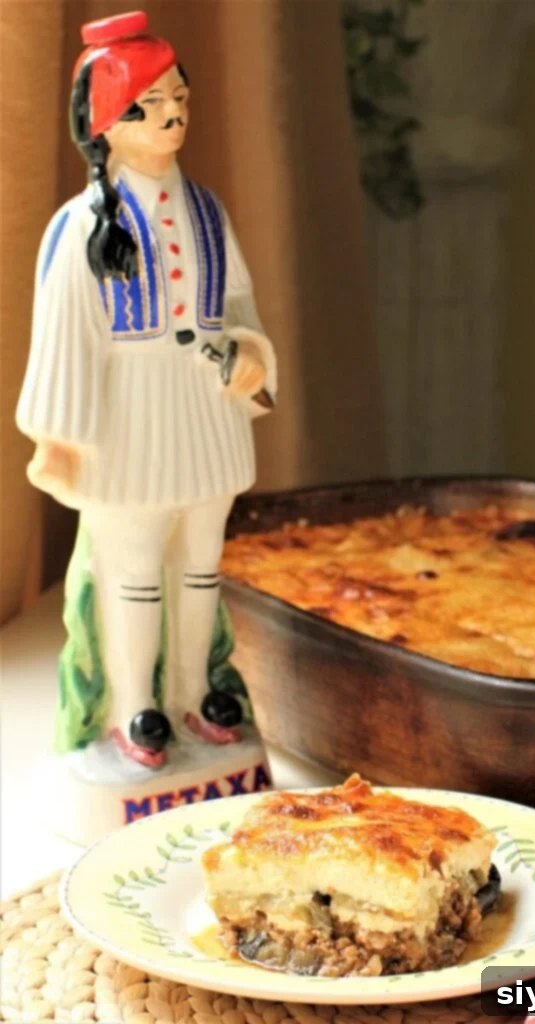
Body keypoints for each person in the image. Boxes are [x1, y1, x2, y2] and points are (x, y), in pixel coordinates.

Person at [16, 11, 277, 769]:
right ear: (105, 124)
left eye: (178, 99)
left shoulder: (208, 212)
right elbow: (65, 334)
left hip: (205, 408)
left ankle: (195, 690)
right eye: (148, 104)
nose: (171, 116)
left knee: (200, 559)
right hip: (128, 419)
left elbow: (238, 304)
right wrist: (62, 437)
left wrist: (251, 354)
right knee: (131, 567)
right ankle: (136, 707)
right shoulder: (79, 228)